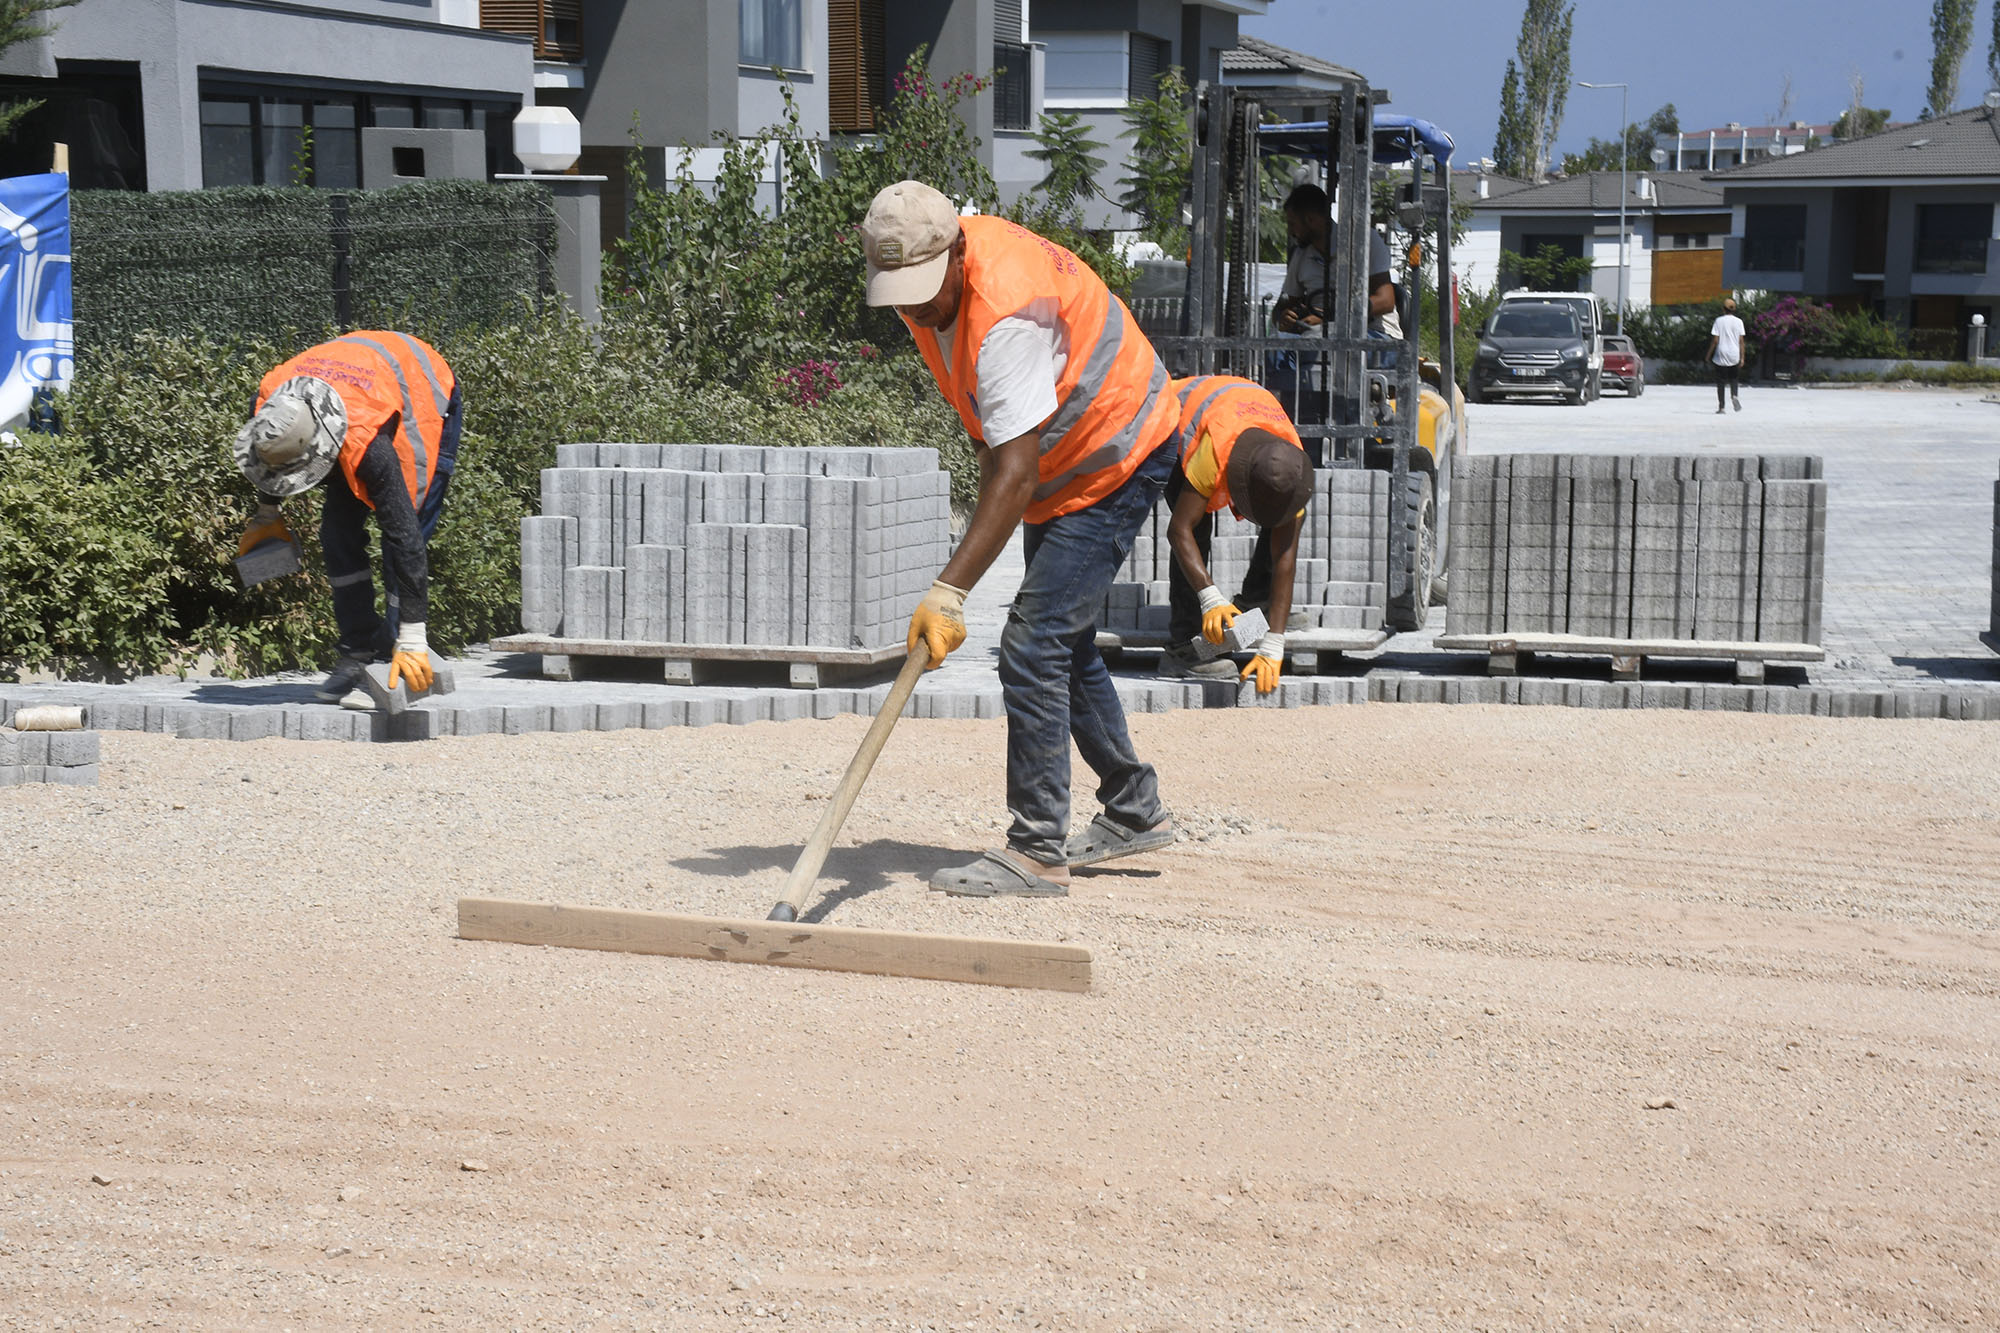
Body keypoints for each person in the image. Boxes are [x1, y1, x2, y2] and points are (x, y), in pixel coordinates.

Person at [864, 179, 1179, 895]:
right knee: (1058, 638)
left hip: (1118, 445)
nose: (911, 306)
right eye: (899, 291)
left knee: (1031, 644)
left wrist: (950, 590)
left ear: (954, 254)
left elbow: (1014, 467)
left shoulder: (1006, 309)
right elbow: (996, 441)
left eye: (919, 288)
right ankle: (1134, 808)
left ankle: (1036, 849)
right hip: (1064, 457)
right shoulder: (929, 290)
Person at [233, 332, 461, 710]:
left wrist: (414, 635)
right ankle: (357, 653)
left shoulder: (366, 445)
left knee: (403, 533)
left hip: (423, 392)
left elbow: (405, 537)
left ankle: (395, 656)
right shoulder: (272, 406)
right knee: (337, 532)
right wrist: (266, 513)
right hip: (355, 395)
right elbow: (274, 454)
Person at [1156, 375, 1313, 692]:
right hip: (1172, 418)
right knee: (1197, 526)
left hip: (1235, 409)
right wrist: (1210, 598)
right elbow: (1179, 531)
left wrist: (1273, 645)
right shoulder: (1213, 453)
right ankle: (1182, 647)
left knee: (1279, 517)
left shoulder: (1290, 466)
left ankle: (1259, 602)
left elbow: (1285, 558)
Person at [1708, 296, 1747, 413]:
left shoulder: (1718, 321)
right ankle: (1734, 395)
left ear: (1723, 309)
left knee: (1720, 381)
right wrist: (1742, 358)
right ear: (1734, 310)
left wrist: (1709, 354)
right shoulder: (1739, 322)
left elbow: (1715, 340)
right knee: (1734, 378)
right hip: (1734, 353)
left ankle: (1722, 407)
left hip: (1721, 353)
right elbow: (1741, 341)